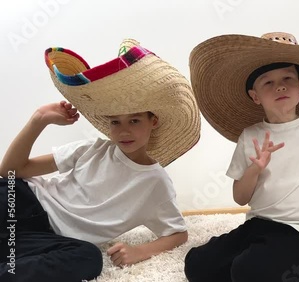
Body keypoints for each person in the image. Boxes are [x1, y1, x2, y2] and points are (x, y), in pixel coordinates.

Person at [0, 39, 201, 282]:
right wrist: (39, 119)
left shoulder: (155, 182)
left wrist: (139, 251)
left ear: (153, 121)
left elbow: (178, 234)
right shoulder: (92, 149)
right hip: (23, 199)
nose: (124, 131)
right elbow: (11, 170)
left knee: (89, 257)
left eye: (134, 120)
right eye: (115, 122)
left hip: (46, 237)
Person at [184, 32, 299, 282]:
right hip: (258, 225)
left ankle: (259, 263)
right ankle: (252, 258)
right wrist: (254, 170)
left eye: (288, 79)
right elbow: (240, 198)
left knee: (248, 272)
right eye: (268, 82)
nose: (280, 86)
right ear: (255, 96)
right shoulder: (249, 136)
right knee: (196, 265)